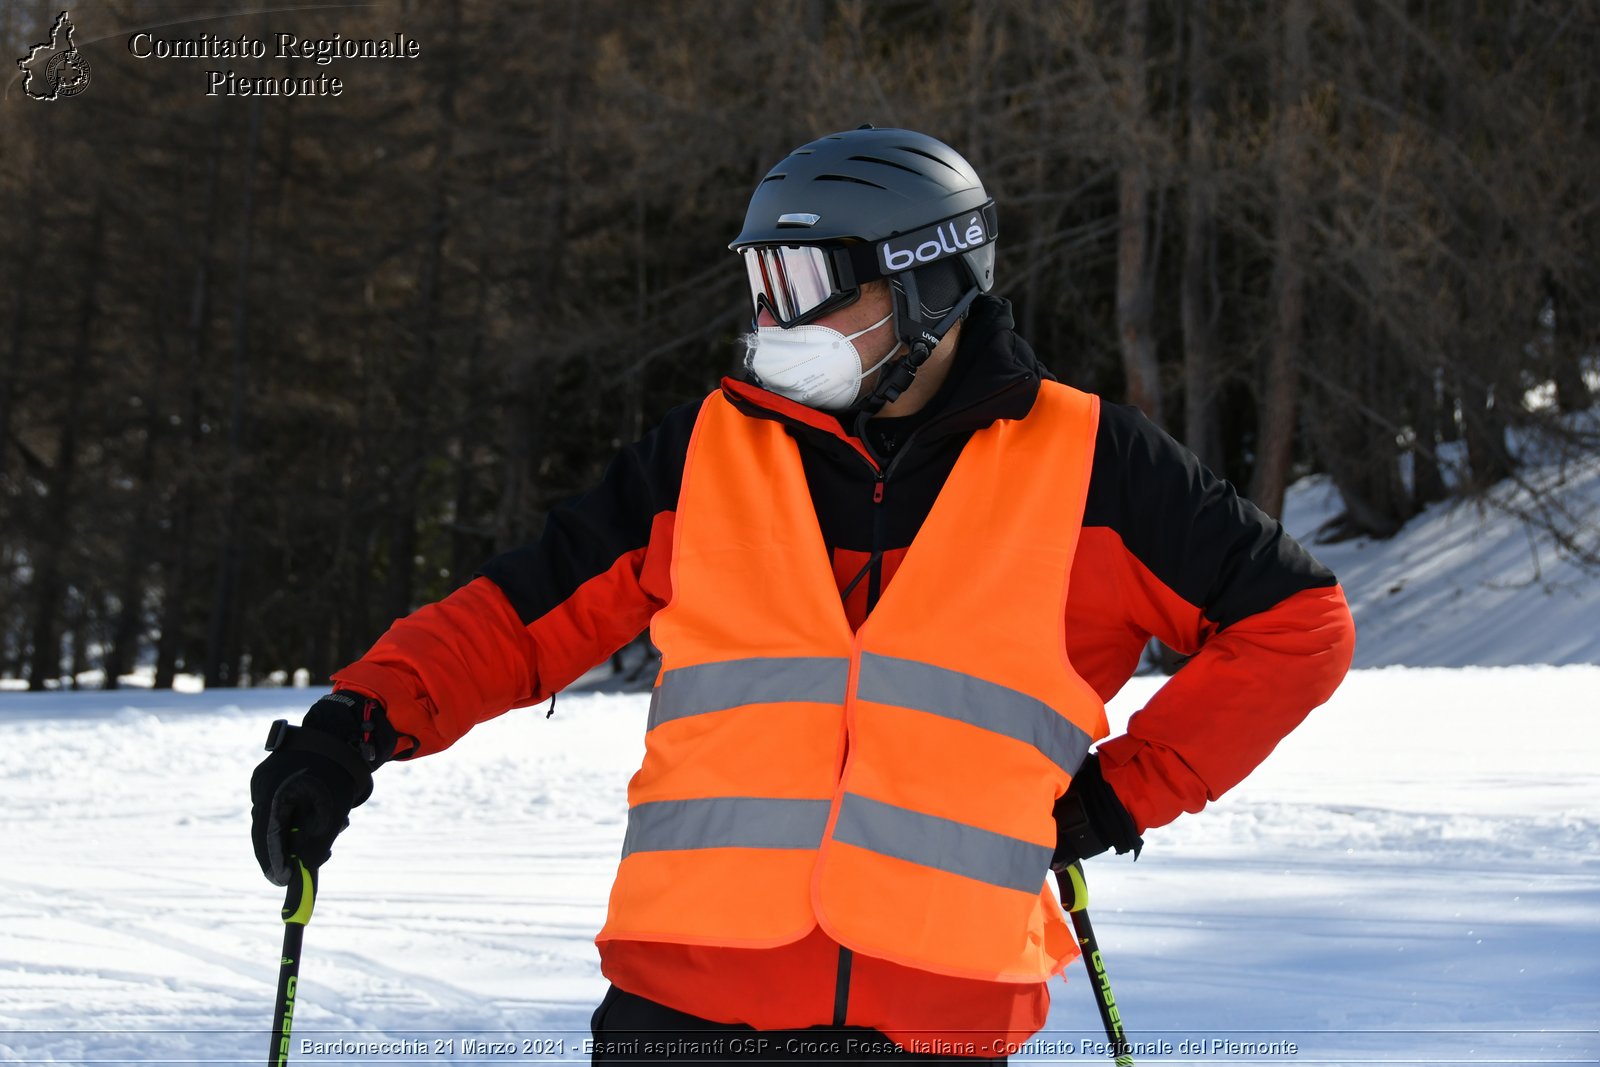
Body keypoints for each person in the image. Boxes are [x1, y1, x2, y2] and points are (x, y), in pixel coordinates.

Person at [251, 126, 1356, 1064]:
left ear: (928, 281)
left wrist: (1119, 794)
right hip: (679, 998)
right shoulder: (709, 451)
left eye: (812, 285)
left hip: (937, 1009)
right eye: (762, 285)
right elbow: (516, 615)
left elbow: (1294, 625)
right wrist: (356, 723)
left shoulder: (1091, 463)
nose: (776, 321)